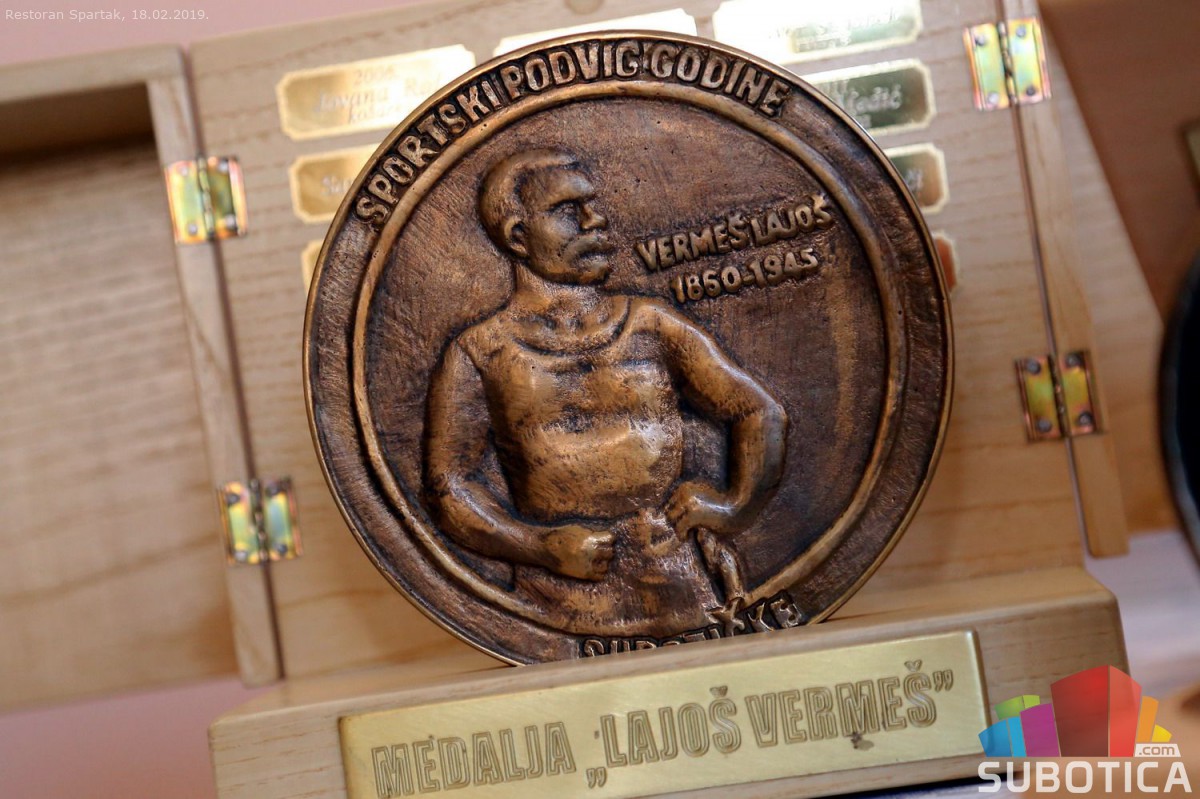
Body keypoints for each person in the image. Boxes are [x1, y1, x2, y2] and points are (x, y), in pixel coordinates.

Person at [424, 149, 787, 638]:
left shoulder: (650, 324)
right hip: (560, 606)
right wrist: (539, 548)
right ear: (518, 236)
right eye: (568, 210)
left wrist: (734, 507)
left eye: (592, 205)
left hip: (682, 591)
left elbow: (760, 411)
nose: (595, 220)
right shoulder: (481, 352)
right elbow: (450, 486)